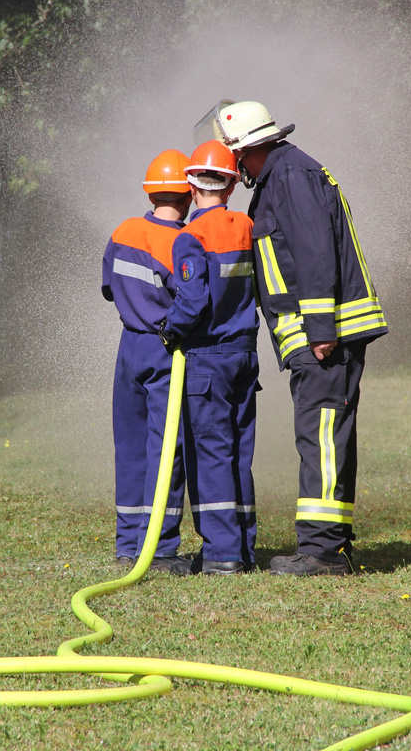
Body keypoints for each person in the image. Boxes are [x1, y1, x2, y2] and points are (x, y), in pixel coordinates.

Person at [193, 100, 388, 576]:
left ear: (242, 150)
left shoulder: (290, 176)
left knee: (321, 437)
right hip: (314, 335)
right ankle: (329, 544)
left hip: (322, 335)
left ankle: (321, 552)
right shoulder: (284, 174)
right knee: (325, 436)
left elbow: (315, 253)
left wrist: (320, 330)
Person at [158, 140, 260, 575]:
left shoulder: (191, 237)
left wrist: (170, 329)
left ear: (192, 186)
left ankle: (222, 553)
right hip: (244, 355)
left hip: (207, 358)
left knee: (212, 453)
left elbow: (193, 299)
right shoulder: (246, 226)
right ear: (232, 186)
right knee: (239, 453)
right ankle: (245, 548)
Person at [101, 149, 194, 572]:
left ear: (150, 192)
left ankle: (127, 544)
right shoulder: (182, 243)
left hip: (128, 349)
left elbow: (109, 287)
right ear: (188, 196)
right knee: (165, 449)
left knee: (130, 447)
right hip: (165, 349)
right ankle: (159, 549)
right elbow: (192, 303)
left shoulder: (123, 231)